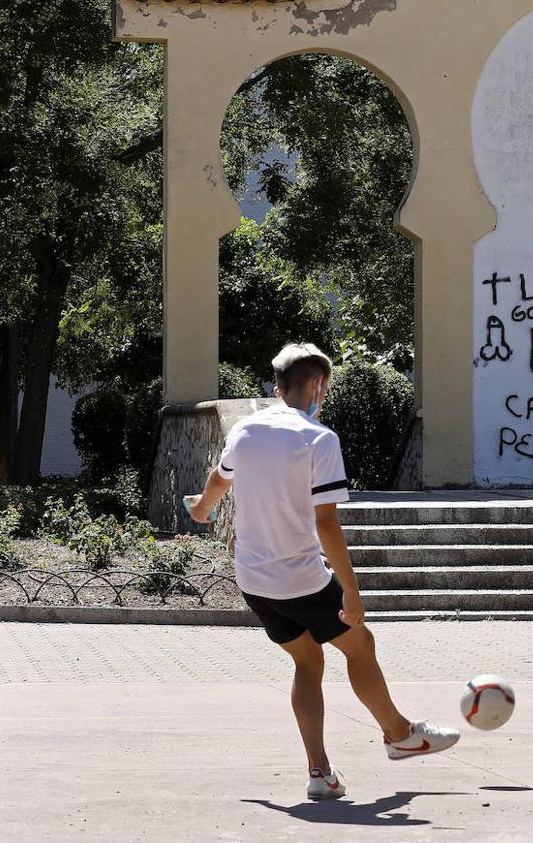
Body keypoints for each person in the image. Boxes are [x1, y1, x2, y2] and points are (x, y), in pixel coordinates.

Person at [185, 343, 458, 801]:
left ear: (277, 387)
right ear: (316, 386)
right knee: (360, 642)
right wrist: (351, 592)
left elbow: (219, 478)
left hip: (254, 580)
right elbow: (326, 522)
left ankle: (320, 773)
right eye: (324, 388)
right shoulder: (318, 439)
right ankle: (399, 735)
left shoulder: (247, 431)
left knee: (308, 660)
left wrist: (203, 509)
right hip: (300, 579)